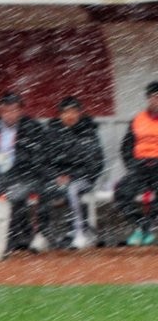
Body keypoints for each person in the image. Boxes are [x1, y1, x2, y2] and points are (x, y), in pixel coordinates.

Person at [0, 93, 47, 251]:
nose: (9, 114)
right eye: (6, 110)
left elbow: (37, 159)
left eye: (14, 110)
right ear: (0, 111)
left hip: (24, 177)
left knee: (13, 196)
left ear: (21, 111)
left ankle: (12, 237)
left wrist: (20, 169)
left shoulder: (32, 128)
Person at [42, 96, 104, 250]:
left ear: (79, 113)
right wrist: (55, 176)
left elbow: (95, 164)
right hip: (57, 178)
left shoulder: (88, 133)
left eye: (73, 112)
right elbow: (42, 161)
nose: (70, 116)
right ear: (60, 115)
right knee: (40, 190)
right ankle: (42, 235)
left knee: (72, 190)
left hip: (83, 179)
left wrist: (71, 177)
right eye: (66, 112)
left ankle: (79, 233)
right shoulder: (51, 134)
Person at [114, 81, 158, 246]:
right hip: (139, 167)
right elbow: (126, 147)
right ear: (148, 99)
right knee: (121, 192)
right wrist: (132, 165)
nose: (157, 101)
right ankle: (142, 224)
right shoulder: (138, 120)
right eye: (154, 97)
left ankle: (148, 226)